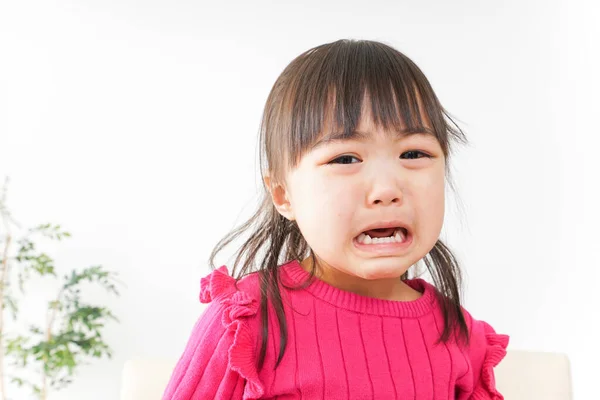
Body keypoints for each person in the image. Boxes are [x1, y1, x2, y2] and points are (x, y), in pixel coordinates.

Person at [162, 38, 509, 400]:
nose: (387, 189)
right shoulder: (245, 325)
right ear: (283, 195)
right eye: (345, 159)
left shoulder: (460, 335)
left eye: (413, 153)